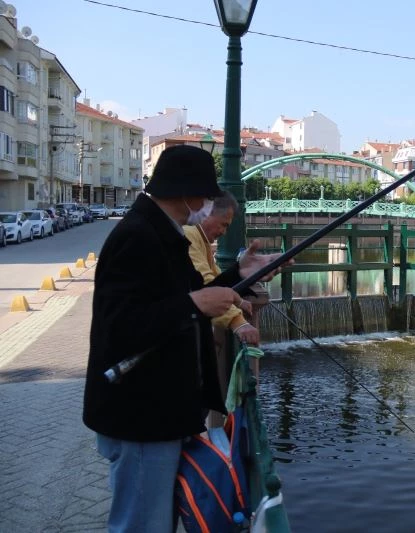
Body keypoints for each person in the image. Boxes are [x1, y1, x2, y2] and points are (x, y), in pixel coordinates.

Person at [83, 144, 286, 533]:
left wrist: (242, 273)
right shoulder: (137, 236)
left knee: (155, 521)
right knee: (143, 525)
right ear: (188, 193)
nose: (209, 204)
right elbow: (120, 326)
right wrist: (195, 302)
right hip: (140, 415)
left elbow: (193, 298)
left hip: (157, 411)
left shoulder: (164, 234)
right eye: (207, 196)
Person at [183, 191, 260, 345]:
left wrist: (238, 300)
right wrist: (238, 322)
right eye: (224, 224)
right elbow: (206, 285)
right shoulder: (189, 235)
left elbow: (215, 276)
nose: (224, 232)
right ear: (207, 214)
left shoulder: (199, 239)